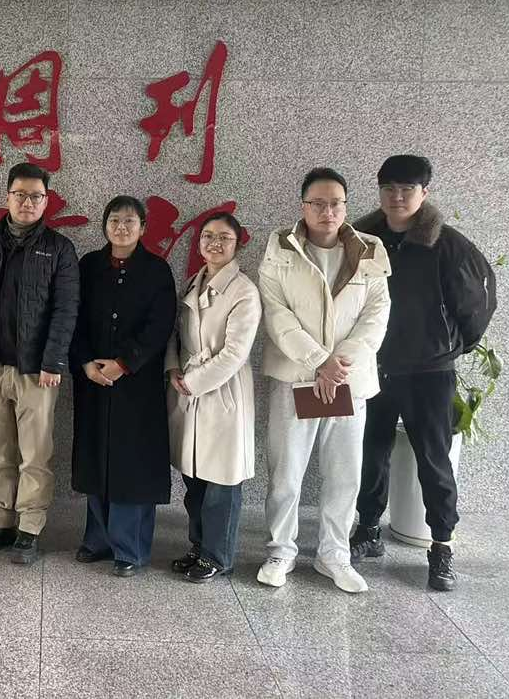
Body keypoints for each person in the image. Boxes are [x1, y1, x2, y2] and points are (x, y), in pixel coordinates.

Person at [351, 155, 497, 591]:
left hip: (429, 372)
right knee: (369, 452)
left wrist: (449, 347)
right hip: (374, 366)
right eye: (389, 188)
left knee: (433, 459)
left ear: (424, 192)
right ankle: (368, 529)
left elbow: (477, 305)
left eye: (407, 189)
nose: (397, 197)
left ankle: (441, 545)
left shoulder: (447, 244)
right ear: (380, 191)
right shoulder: (362, 239)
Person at [257, 167, 391, 593]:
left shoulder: (370, 250)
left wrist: (338, 364)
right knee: (286, 471)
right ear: (303, 206)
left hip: (348, 380)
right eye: (317, 203)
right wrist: (318, 361)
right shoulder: (280, 246)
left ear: (345, 207)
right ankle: (281, 549)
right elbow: (277, 315)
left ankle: (334, 554)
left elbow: (376, 315)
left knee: (344, 473)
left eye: (335, 203)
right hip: (297, 377)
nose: (326, 211)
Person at [0, 162, 80, 565]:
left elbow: (66, 309)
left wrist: (54, 361)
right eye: (20, 194)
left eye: (36, 196)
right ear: (7, 197)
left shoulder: (59, 248)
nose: (27, 202)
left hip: (37, 371)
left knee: (34, 454)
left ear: (47, 202)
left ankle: (29, 527)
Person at [71, 196, 176, 577]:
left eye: (130, 221)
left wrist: (124, 364)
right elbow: (73, 316)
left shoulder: (157, 270)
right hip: (93, 379)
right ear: (104, 225)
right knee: (97, 458)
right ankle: (97, 539)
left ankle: (129, 548)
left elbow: (160, 325)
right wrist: (85, 361)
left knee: (132, 464)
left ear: (143, 227)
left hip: (137, 383)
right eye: (114, 220)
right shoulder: (89, 266)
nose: (121, 227)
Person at [166, 212, 262, 583]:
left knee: (222, 482)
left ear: (237, 244)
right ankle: (199, 546)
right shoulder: (193, 282)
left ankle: (218, 556)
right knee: (195, 478)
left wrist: (193, 381)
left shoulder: (244, 291)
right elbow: (175, 334)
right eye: (207, 236)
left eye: (224, 237)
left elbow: (235, 353)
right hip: (188, 390)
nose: (214, 243)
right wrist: (173, 369)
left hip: (222, 394)